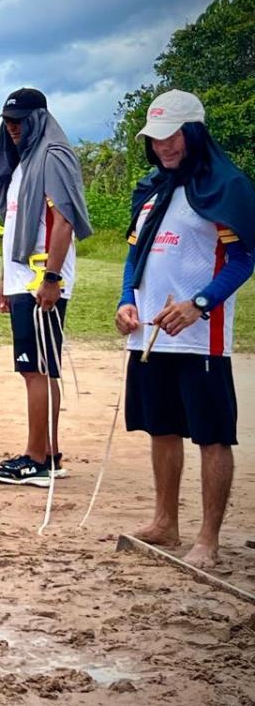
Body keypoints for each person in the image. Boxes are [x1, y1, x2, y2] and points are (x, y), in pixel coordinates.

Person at [114, 90, 255, 568]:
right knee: (162, 427)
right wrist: (126, 300)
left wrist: (200, 305)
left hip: (201, 337)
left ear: (193, 133)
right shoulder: (152, 188)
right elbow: (134, 255)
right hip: (149, 334)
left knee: (212, 435)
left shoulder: (226, 187)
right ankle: (165, 522)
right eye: (155, 139)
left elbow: (242, 261)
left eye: (171, 136)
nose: (163, 147)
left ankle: (208, 539)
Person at [0, 87, 93, 486]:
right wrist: (5, 280)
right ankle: (48, 453)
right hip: (21, 280)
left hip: (41, 281)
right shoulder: (23, 163)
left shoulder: (53, 156)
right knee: (34, 369)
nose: (12, 128)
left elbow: (64, 221)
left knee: (38, 370)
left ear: (39, 119)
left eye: (19, 121)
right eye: (7, 122)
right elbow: (16, 225)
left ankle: (36, 459)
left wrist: (52, 277)